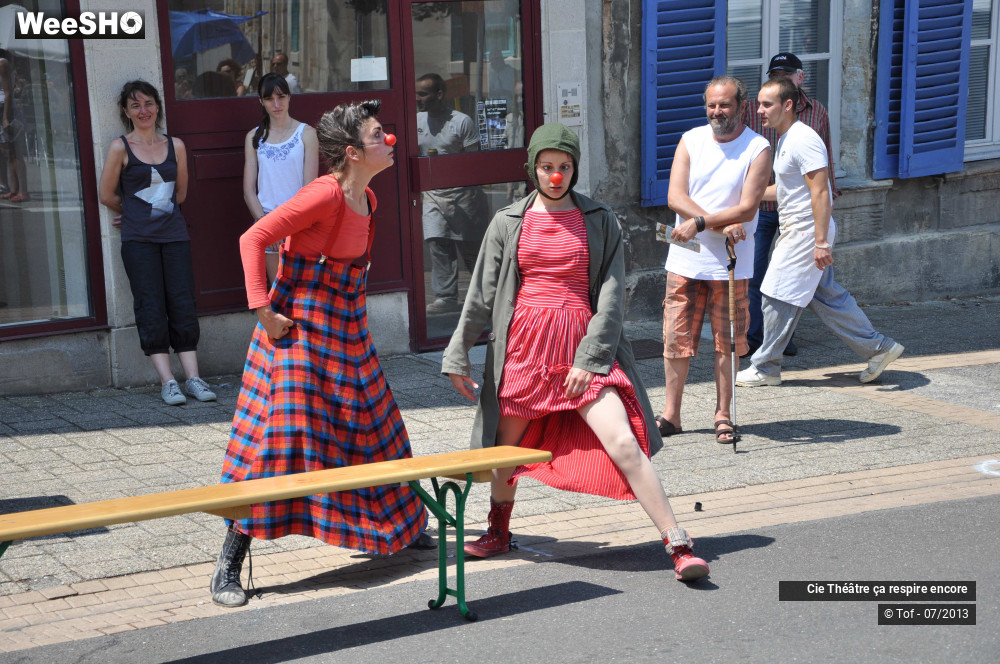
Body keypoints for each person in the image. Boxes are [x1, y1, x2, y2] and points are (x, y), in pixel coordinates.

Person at [442, 122, 710, 582]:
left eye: (564, 167)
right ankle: (498, 530)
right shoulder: (507, 221)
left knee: (623, 442)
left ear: (574, 169)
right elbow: (481, 296)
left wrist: (590, 359)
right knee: (506, 451)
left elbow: (612, 297)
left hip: (582, 347)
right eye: (546, 166)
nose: (555, 176)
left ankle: (678, 543)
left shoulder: (600, 219)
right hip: (524, 350)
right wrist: (457, 355)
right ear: (532, 168)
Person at [211, 99, 431, 608]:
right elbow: (253, 238)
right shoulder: (323, 194)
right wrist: (263, 311)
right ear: (352, 152)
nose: (389, 141)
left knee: (375, 424)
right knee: (282, 438)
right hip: (298, 330)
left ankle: (406, 525)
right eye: (378, 135)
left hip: (345, 327)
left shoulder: (368, 200)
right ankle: (229, 563)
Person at [736, 78, 904, 388]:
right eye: (759, 104)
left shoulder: (803, 139)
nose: (759, 110)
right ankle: (880, 348)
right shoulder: (787, 138)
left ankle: (765, 367)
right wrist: (744, 197)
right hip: (802, 230)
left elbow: (821, 192)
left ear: (788, 105)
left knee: (774, 293)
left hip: (805, 232)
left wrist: (821, 241)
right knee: (826, 297)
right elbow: (787, 190)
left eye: (766, 104)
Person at [660, 76, 771, 444]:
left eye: (724, 104)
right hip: (686, 259)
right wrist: (718, 226)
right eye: (711, 105)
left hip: (731, 263)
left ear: (742, 106)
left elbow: (747, 207)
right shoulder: (691, 139)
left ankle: (723, 415)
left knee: (728, 342)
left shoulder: (758, 147)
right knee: (676, 338)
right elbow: (675, 196)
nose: (717, 111)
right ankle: (671, 415)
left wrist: (700, 223)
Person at [98, 80, 217, 406]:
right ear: (126, 112)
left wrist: (147, 208)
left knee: (182, 302)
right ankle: (168, 382)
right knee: (150, 305)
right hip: (138, 241)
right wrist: (134, 212)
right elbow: (106, 194)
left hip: (175, 237)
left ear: (157, 106)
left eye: (148, 103)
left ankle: (193, 378)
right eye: (135, 105)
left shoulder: (176, 146)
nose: (143, 111)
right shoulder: (120, 148)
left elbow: (181, 194)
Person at [742, 53, 840, 358]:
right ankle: (756, 338)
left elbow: (824, 161)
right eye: (775, 75)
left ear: (800, 78)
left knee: (792, 282)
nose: (781, 79)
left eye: (786, 74)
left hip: (800, 212)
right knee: (756, 274)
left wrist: (828, 196)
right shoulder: (757, 110)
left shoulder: (815, 113)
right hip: (765, 206)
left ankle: (779, 344)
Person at [415, 73, 488, 314]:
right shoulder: (416, 121)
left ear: (439, 94)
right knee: (437, 243)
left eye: (422, 94)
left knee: (470, 249)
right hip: (433, 196)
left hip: (463, 196)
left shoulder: (462, 122)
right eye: (416, 94)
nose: (417, 98)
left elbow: (474, 162)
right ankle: (446, 297)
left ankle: (484, 297)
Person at [243, 73, 319, 285]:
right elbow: (248, 190)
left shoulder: (307, 133)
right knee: (279, 290)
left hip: (301, 222)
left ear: (289, 97)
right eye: (269, 99)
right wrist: (268, 227)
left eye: (281, 97)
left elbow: (310, 189)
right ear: (261, 101)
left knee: (305, 291)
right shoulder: (253, 137)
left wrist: (292, 226)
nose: (276, 104)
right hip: (268, 221)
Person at [0, 49, 28, 202]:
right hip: (2, 109)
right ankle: (14, 189)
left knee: (15, 152)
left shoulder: (2, 64)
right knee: (8, 153)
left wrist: (5, 117)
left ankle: (23, 191)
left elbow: (8, 92)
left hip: (6, 110)